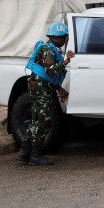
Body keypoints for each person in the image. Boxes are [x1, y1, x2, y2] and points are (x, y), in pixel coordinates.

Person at [16, 22, 73, 165]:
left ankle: (25, 152)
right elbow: (50, 71)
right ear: (57, 38)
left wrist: (58, 88)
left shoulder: (49, 48)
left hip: (39, 85)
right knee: (44, 119)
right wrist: (66, 61)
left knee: (36, 119)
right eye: (64, 38)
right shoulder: (48, 50)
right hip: (41, 87)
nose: (65, 40)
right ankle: (35, 155)